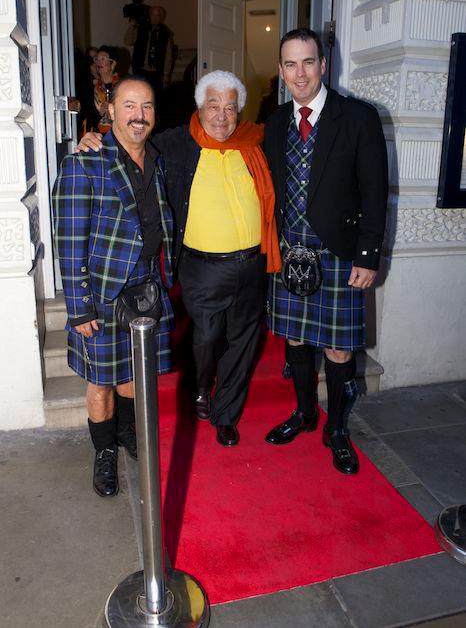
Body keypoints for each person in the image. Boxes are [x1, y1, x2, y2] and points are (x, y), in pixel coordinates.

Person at [77, 70, 281, 448]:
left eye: (230, 108)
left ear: (240, 112)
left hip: (254, 263)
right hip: (202, 266)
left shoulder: (255, 143)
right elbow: (132, 139)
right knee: (206, 337)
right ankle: (202, 385)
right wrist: (97, 138)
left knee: (244, 341)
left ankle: (226, 414)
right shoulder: (175, 144)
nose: (221, 116)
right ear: (199, 107)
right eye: (213, 106)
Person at [263, 28, 388, 475]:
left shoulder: (358, 117)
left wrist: (368, 256)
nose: (300, 73)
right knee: (295, 340)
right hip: (288, 251)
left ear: (323, 65)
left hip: (337, 253)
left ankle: (336, 428)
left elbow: (375, 193)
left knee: (338, 350)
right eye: (291, 64)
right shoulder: (275, 121)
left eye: (309, 62)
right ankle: (304, 412)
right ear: (281, 70)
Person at [53, 76, 174, 497]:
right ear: (110, 111)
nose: (139, 115)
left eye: (147, 106)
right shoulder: (85, 161)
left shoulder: (157, 159)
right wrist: (80, 305)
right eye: (129, 106)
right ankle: (104, 453)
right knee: (101, 380)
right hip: (102, 294)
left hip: (147, 288)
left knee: (134, 374)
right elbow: (69, 239)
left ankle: (127, 434)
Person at [127, 5, 174, 103]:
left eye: (158, 15)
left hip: (156, 72)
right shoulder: (141, 28)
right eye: (153, 15)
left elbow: (168, 55)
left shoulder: (165, 33)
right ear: (149, 15)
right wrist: (132, 26)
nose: (155, 18)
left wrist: (166, 73)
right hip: (140, 69)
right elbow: (128, 41)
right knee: (139, 96)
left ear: (161, 17)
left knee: (154, 98)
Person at [79, 46, 119, 136]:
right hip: (96, 136)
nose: (98, 62)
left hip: (117, 135)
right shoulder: (92, 87)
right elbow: (86, 114)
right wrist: (100, 113)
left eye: (103, 59)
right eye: (96, 59)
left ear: (113, 63)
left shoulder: (121, 86)